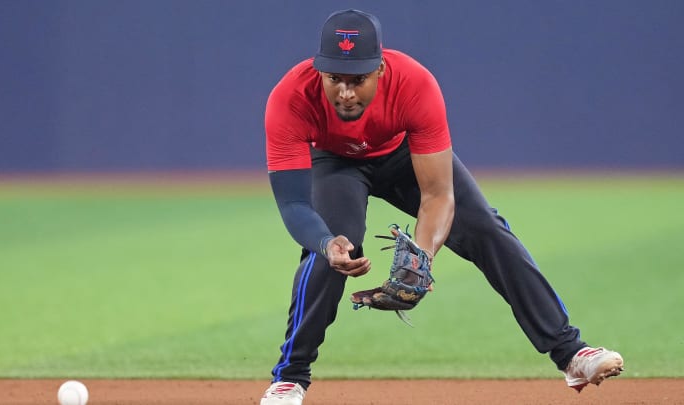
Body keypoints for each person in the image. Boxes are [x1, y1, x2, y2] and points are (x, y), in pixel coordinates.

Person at [260, 9, 623, 405]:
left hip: (401, 153)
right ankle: (290, 377)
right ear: (320, 71)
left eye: (357, 79)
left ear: (380, 68)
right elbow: (295, 203)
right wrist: (327, 243)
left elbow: (437, 195)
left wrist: (420, 259)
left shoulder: (415, 84)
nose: (345, 92)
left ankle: (570, 353)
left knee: (485, 227)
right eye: (335, 79)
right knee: (334, 249)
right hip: (334, 162)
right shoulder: (291, 96)